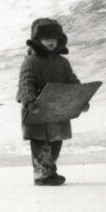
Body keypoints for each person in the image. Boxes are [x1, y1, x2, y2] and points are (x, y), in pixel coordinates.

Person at [17, 19, 85, 186]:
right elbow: (25, 82)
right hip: (36, 108)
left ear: (59, 39)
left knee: (56, 140)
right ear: (37, 40)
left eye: (54, 38)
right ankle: (42, 174)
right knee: (40, 142)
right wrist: (29, 100)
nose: (50, 42)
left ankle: (49, 170)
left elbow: (71, 81)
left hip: (56, 108)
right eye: (45, 38)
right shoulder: (30, 62)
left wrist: (81, 98)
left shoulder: (62, 62)